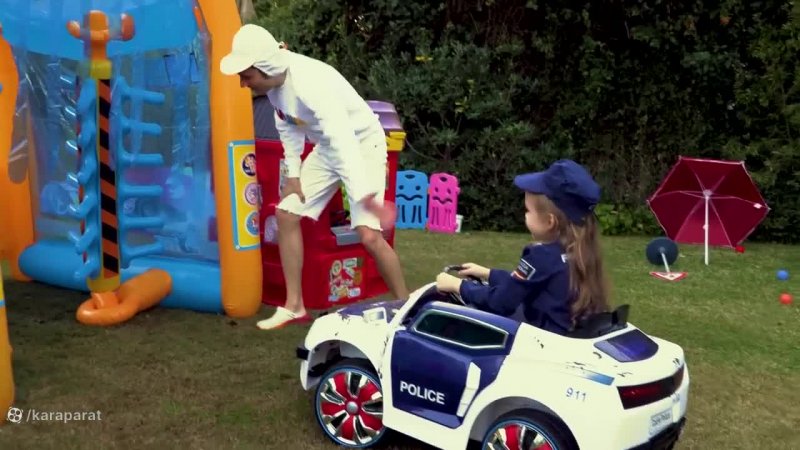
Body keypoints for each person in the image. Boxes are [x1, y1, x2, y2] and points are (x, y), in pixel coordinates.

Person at [220, 24, 409, 330]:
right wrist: (294, 175)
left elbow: (345, 144)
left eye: (246, 76)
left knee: (369, 235)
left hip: (361, 144)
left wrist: (363, 196)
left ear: (264, 68)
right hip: (328, 147)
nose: (243, 83)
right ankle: (294, 306)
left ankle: (405, 308)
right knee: (286, 214)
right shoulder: (274, 89)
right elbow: (288, 126)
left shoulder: (310, 84)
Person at [435, 159, 611, 335]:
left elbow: (501, 302)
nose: (525, 215)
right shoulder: (579, 252)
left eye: (528, 210)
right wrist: (488, 274)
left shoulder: (540, 256)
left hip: (541, 341)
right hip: (567, 334)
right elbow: (523, 285)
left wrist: (458, 286)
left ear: (549, 222)